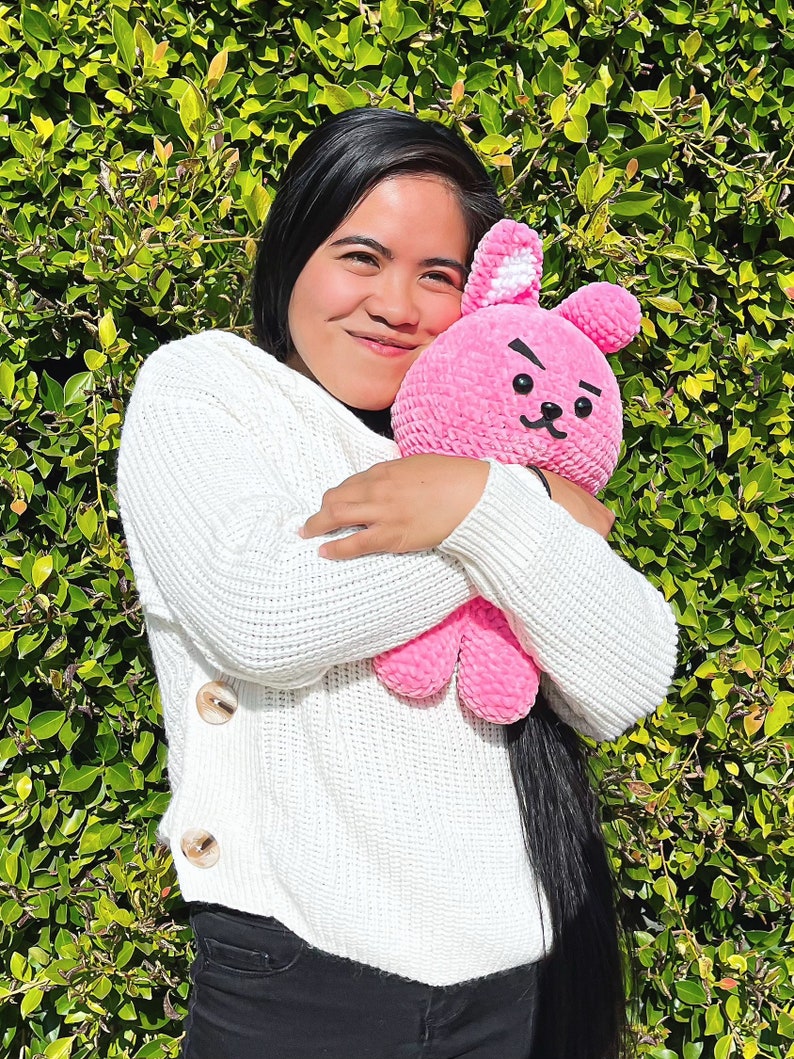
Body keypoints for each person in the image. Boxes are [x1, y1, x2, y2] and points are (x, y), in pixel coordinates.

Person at [116, 107, 678, 1059]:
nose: (396, 304)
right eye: (361, 257)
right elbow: (267, 612)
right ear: (294, 251)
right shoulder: (208, 387)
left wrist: (484, 496)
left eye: (437, 276)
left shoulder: (490, 448)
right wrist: (512, 507)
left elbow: (630, 674)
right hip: (300, 980)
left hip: (512, 981)